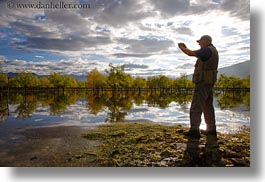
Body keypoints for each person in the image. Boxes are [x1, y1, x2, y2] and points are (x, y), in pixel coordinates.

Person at [178, 35, 219, 138]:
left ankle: (194, 130)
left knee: (196, 105)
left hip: (203, 82)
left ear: (205, 41)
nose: (199, 43)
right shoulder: (212, 50)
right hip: (209, 82)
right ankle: (211, 130)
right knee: (207, 106)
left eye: (200, 41)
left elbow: (190, 53)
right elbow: (195, 54)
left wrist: (182, 47)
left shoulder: (207, 50)